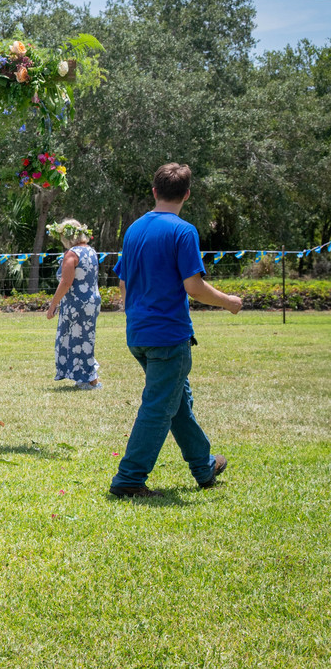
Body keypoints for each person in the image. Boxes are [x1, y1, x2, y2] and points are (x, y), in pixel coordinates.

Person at [109, 163, 242, 498]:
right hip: (168, 336)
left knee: (175, 402)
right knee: (158, 406)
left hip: (138, 333)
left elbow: (123, 279)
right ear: (187, 194)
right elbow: (193, 287)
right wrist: (228, 302)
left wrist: (134, 311)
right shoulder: (183, 231)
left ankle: (204, 466)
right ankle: (129, 479)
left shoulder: (134, 229)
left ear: (154, 191)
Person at [45, 218, 102, 389]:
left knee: (76, 340)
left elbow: (66, 282)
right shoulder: (91, 251)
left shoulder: (72, 254)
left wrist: (53, 304)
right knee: (86, 339)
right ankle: (88, 377)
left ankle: (88, 379)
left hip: (77, 304)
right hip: (92, 302)